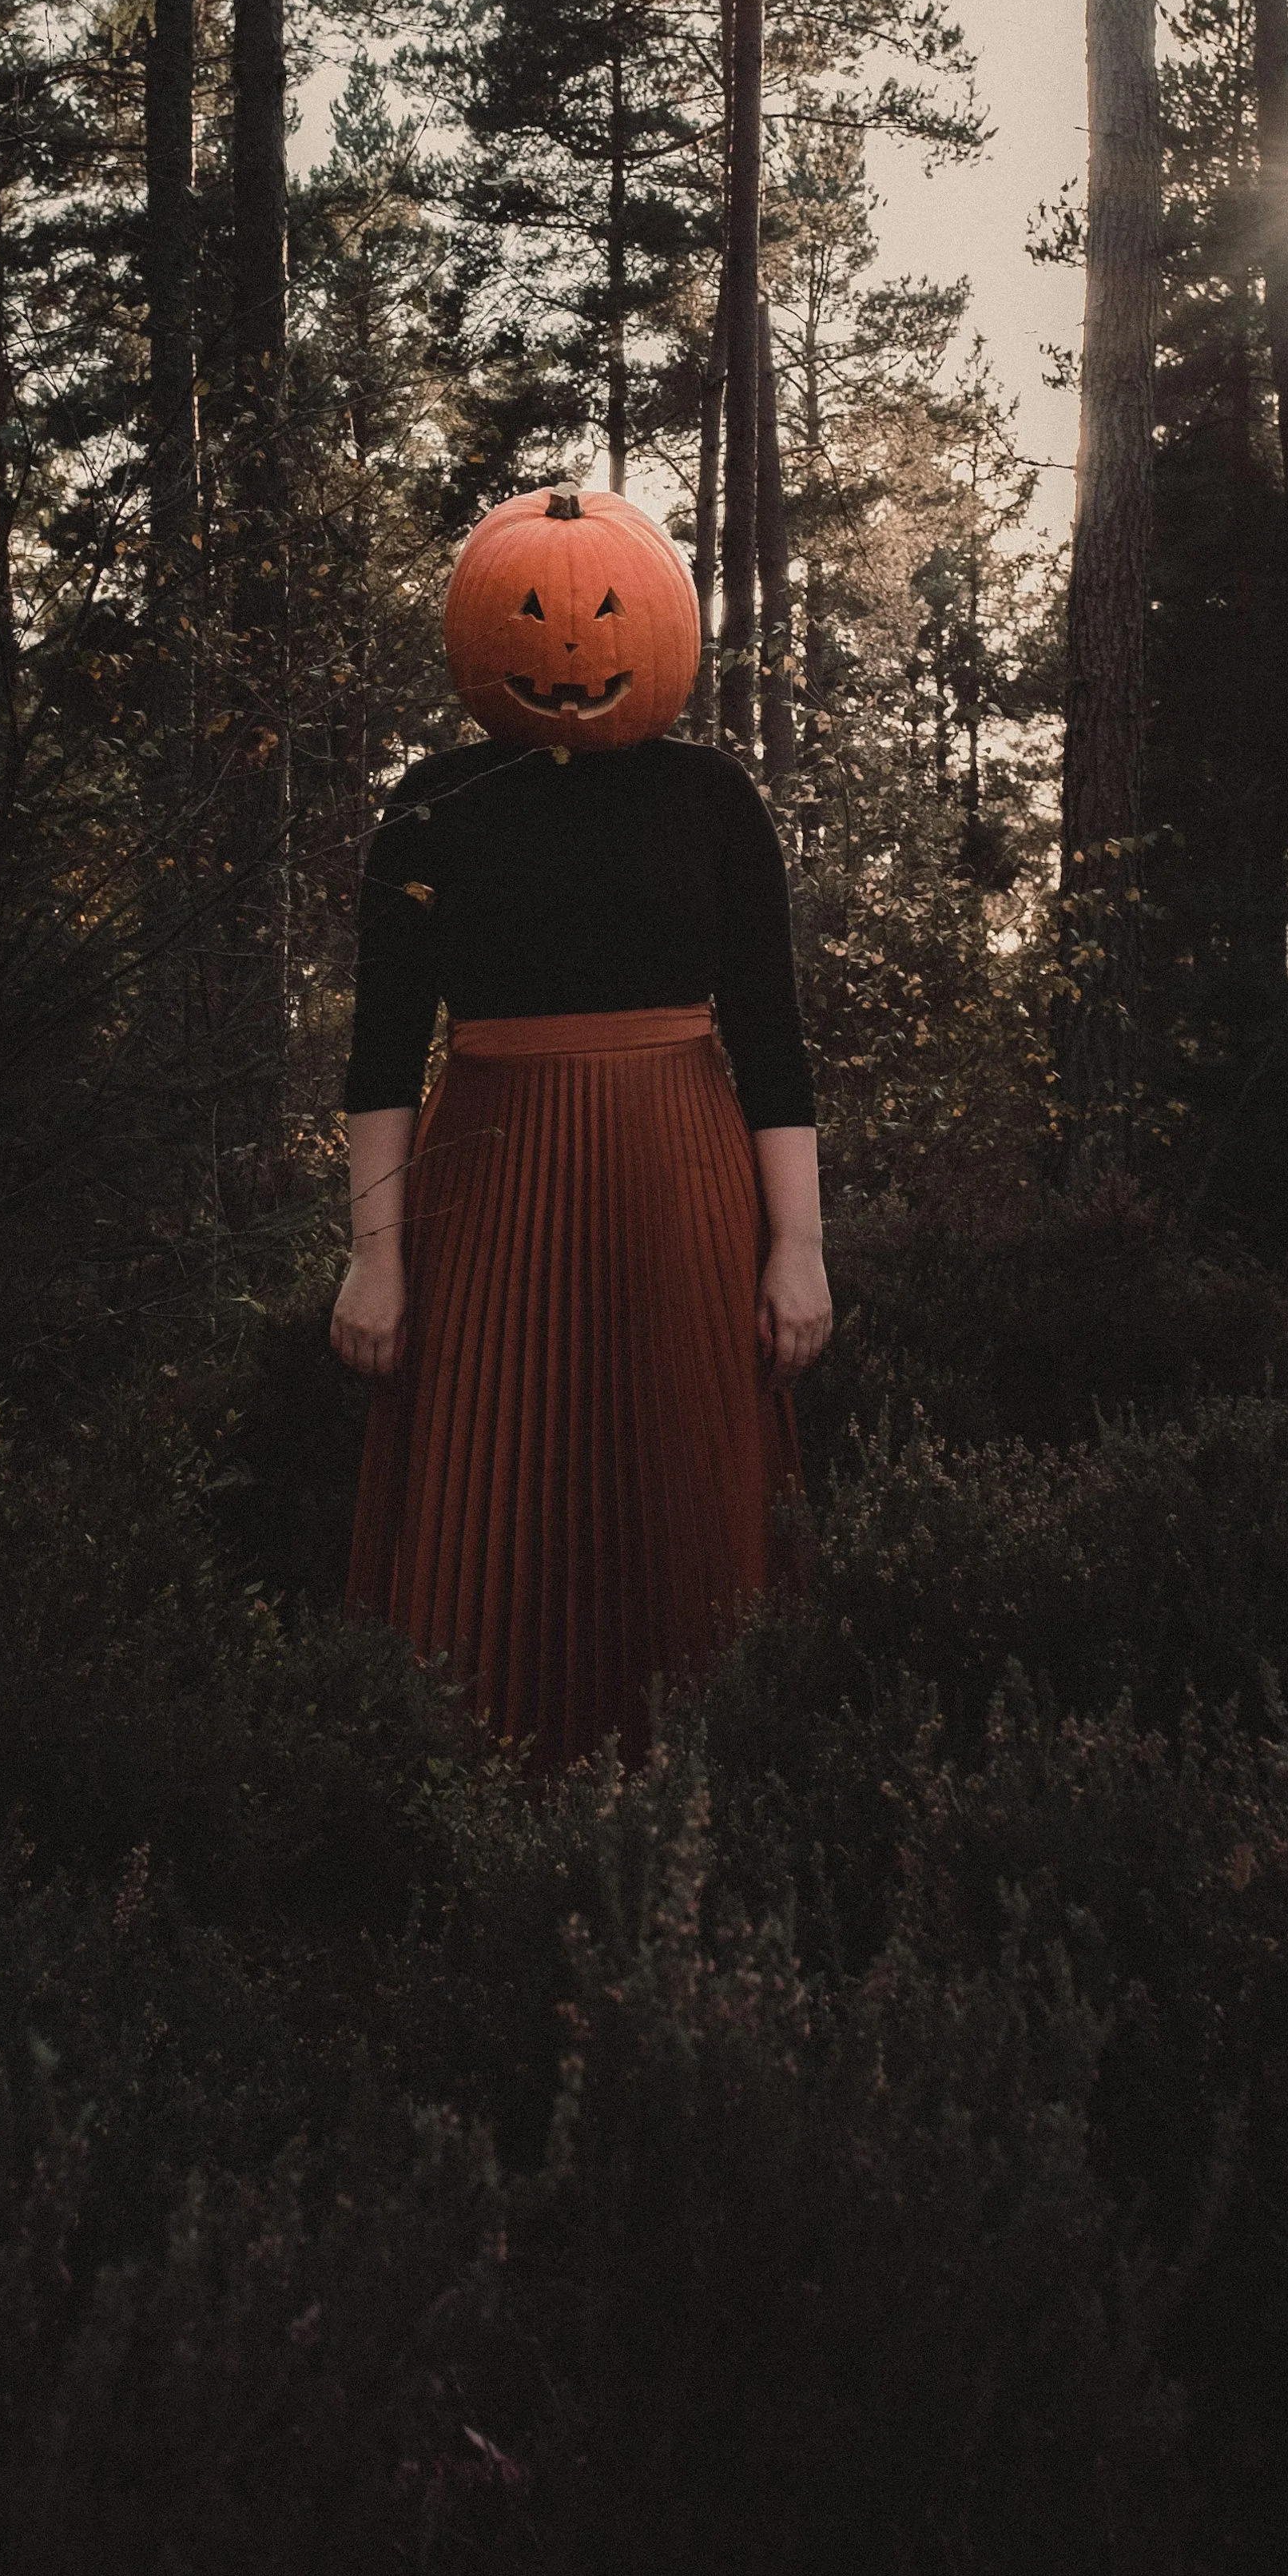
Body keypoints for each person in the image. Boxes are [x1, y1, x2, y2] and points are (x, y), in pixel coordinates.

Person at [332, 482, 831, 1767]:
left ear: (658, 617)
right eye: (539, 612)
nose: (570, 643)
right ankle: (472, 1813)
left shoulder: (714, 801)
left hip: (680, 1183)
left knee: (692, 1493)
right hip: (486, 1191)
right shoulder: (433, 805)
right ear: (481, 624)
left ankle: (707, 1805)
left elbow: (773, 1045)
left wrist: (799, 1248)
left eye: (605, 610)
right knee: (484, 1493)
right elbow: (383, 1053)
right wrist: (376, 1255)